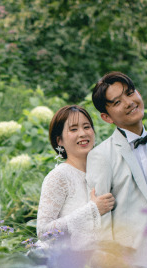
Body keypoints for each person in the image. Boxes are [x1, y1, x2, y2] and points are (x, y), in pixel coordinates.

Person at [86, 72, 147, 268]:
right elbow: (100, 219)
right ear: (106, 117)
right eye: (118, 102)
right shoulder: (102, 156)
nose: (129, 102)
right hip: (128, 267)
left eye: (130, 93)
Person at [36, 105, 115, 251]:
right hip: (65, 265)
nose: (83, 133)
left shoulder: (105, 171)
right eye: (73, 129)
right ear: (59, 140)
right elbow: (43, 232)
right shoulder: (59, 176)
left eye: (87, 127)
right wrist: (92, 210)